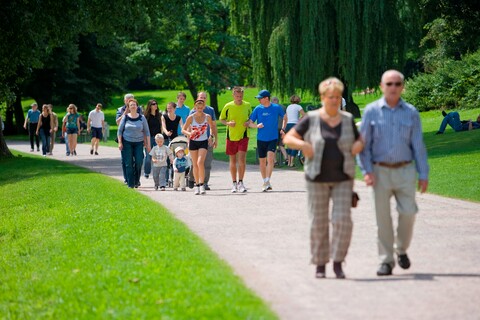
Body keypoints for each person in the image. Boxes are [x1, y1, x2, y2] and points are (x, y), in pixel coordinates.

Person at [283, 77, 364, 279]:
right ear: (322, 97)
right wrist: (303, 146)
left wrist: (358, 146)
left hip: (343, 178)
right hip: (316, 178)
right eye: (330, 97)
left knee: (343, 221)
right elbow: (288, 138)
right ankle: (320, 263)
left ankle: (338, 262)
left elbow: (359, 140)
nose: (334, 100)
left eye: (337, 97)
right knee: (318, 222)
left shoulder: (346, 119)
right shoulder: (311, 118)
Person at [359, 70, 429, 276]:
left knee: (409, 212)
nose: (393, 87)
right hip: (379, 171)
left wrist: (423, 173)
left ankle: (401, 249)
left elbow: (418, 145)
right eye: (389, 84)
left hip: (405, 170)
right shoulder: (371, 111)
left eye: (397, 84)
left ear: (402, 86)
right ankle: (386, 261)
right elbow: (363, 146)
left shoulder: (411, 112)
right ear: (381, 86)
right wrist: (367, 171)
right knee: (382, 219)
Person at [247, 90, 287, 191]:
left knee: (270, 158)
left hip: (273, 138)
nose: (259, 100)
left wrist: (283, 129)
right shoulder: (258, 109)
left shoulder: (276, 107)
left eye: (260, 98)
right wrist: (256, 126)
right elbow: (249, 123)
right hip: (261, 139)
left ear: (266, 98)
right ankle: (265, 180)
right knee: (262, 161)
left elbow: (285, 117)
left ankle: (267, 181)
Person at [219, 86, 252, 193]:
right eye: (237, 96)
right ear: (233, 95)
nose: (239, 98)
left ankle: (241, 182)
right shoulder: (228, 106)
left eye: (241, 96)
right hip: (231, 136)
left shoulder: (247, 105)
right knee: (233, 160)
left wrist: (248, 123)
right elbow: (221, 119)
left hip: (244, 135)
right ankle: (234, 183)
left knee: (242, 159)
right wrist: (228, 123)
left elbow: (250, 118)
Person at [182, 99, 217, 195]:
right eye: (198, 108)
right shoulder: (191, 117)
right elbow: (183, 130)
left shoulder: (207, 117)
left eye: (201, 108)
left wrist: (211, 136)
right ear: (195, 107)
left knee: (200, 162)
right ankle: (196, 185)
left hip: (203, 142)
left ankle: (202, 185)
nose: (200, 109)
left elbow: (212, 127)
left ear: (204, 107)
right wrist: (190, 133)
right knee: (195, 164)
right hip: (193, 142)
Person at [117, 99, 151, 188]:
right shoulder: (125, 117)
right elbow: (119, 131)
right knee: (128, 163)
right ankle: (131, 183)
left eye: (134, 105)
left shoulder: (142, 118)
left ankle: (137, 180)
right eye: (131, 105)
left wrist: (148, 145)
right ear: (128, 107)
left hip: (139, 143)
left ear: (137, 107)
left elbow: (147, 132)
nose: (133, 106)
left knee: (139, 161)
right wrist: (120, 142)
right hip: (126, 142)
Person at [116, 93, 141, 184]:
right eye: (128, 99)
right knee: (126, 160)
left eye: (132, 99)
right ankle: (127, 179)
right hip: (124, 138)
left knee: (137, 160)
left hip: (137, 138)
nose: (130, 101)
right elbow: (117, 123)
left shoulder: (138, 109)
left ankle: (135, 179)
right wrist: (125, 113)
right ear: (125, 101)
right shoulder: (120, 110)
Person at [285, 95, 306, 167]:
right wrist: (300, 118)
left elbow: (287, 117)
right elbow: (305, 115)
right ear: (298, 100)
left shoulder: (288, 107)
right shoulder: (298, 107)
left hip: (288, 126)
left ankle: (288, 162)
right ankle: (292, 162)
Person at [143, 100, 162, 178]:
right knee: (148, 157)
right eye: (153, 104)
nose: (155, 105)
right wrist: (145, 141)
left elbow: (161, 127)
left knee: (159, 156)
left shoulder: (159, 115)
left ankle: (158, 173)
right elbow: (143, 129)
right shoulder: (146, 117)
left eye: (156, 104)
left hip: (158, 138)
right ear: (150, 106)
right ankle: (147, 172)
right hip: (149, 138)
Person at [272, 96, 288, 164]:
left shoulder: (271, 107)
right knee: (281, 145)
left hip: (274, 128)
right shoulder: (283, 107)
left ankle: (275, 161)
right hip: (282, 128)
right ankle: (286, 158)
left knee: (274, 145)